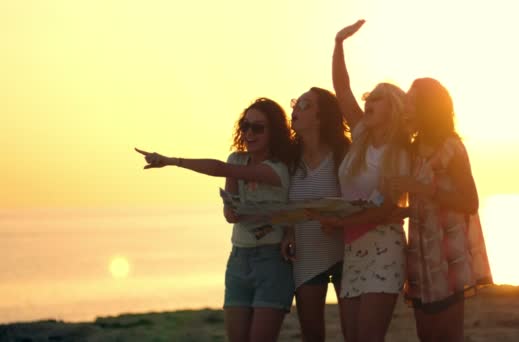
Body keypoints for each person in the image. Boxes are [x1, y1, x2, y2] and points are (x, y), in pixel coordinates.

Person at [135, 97, 296, 342]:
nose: (249, 133)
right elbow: (229, 214)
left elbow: (220, 169)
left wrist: (172, 161)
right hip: (239, 259)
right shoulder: (237, 159)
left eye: (258, 127)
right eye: (245, 126)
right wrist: (232, 211)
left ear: (274, 131)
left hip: (272, 260)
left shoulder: (278, 168)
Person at [307, 19, 412, 342]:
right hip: (353, 249)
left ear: (393, 108)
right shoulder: (362, 134)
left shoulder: (400, 153)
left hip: (384, 246)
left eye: (379, 97)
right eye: (371, 97)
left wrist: (337, 223)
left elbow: (384, 209)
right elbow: (342, 88)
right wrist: (338, 45)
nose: (370, 101)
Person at [391, 78, 493, 342]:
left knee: (448, 336)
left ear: (428, 107)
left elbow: (470, 201)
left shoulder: (451, 147)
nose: (407, 108)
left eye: (413, 103)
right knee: (427, 336)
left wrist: (426, 190)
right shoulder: (411, 151)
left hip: (448, 256)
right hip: (420, 256)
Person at [280, 87, 350, 341]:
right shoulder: (288, 157)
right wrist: (287, 231)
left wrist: (340, 222)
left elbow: (357, 199)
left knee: (354, 334)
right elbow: (285, 203)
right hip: (306, 255)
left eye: (304, 105)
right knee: (311, 335)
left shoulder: (344, 152)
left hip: (346, 253)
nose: (295, 109)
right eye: (295, 103)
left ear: (321, 116)